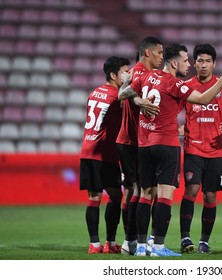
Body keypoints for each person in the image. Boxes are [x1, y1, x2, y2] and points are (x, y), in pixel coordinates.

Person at [119, 43, 222, 257]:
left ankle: (140, 247)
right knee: (165, 196)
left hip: (144, 145)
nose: (189, 64)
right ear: (174, 63)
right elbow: (203, 99)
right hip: (166, 144)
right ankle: (158, 247)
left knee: (145, 194)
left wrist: (139, 101)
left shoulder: (147, 76)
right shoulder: (175, 84)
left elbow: (123, 94)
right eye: (185, 61)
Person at [79, 56, 158, 254]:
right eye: (125, 71)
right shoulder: (117, 95)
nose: (128, 74)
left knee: (94, 197)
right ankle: (111, 242)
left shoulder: (94, 93)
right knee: (115, 196)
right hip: (105, 152)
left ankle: (94, 244)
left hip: (87, 148)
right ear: (114, 75)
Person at [178, 43, 222, 254]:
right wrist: (177, 127)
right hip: (193, 148)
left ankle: (204, 241)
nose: (203, 65)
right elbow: (172, 112)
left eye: (207, 61)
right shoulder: (186, 86)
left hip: (216, 150)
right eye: (200, 61)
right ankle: (185, 238)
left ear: (214, 64)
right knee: (192, 189)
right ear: (194, 63)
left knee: (210, 196)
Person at [116, 36, 164, 255]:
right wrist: (138, 100)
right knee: (142, 190)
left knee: (139, 189)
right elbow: (123, 95)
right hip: (133, 140)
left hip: (134, 140)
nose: (161, 57)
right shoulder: (139, 73)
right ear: (147, 53)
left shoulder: (140, 73)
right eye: (159, 53)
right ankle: (131, 240)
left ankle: (133, 241)